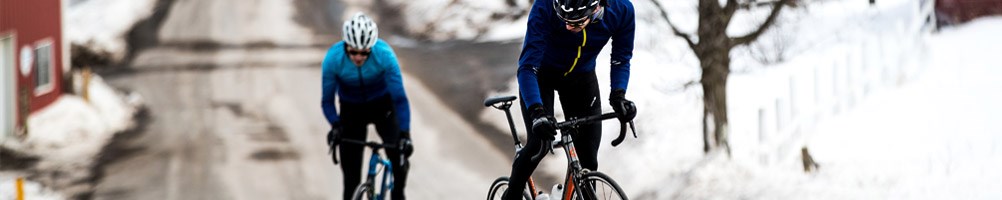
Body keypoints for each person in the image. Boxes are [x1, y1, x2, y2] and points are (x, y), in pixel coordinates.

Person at [503, 0, 637, 199]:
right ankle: (511, 195)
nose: (568, 27)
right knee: (538, 144)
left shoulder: (621, 10)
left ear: (596, 10)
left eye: (575, 23)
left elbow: (621, 57)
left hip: (581, 78)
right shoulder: (544, 7)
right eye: (563, 19)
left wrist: (619, 95)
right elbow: (527, 67)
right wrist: (537, 112)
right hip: (541, 75)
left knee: (588, 160)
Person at [322, 12, 413, 200]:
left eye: (364, 52)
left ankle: (398, 193)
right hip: (351, 110)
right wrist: (335, 124)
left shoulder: (385, 55)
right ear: (346, 46)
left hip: (383, 107)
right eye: (353, 51)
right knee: (351, 179)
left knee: (399, 158)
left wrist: (405, 133)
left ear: (371, 48)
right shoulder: (333, 59)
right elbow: (327, 101)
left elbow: (400, 99)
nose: (358, 57)